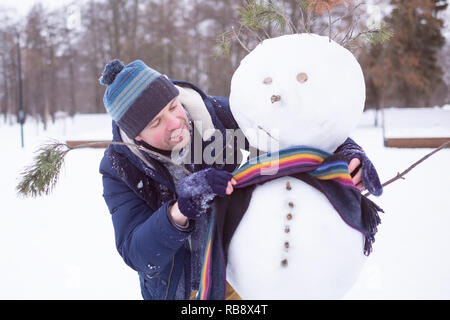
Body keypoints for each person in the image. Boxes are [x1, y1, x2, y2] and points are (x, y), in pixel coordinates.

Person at [98, 59, 382, 300]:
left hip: (239, 272)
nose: (175, 122)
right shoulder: (119, 167)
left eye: (173, 106)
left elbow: (291, 127)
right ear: (136, 135)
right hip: (184, 291)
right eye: (156, 122)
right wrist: (180, 210)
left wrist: (347, 152)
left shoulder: (212, 115)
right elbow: (136, 253)